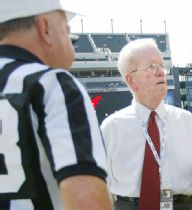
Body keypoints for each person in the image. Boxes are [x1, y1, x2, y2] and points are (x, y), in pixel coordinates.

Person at [0, 0, 113, 209]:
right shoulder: (51, 83)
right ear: (45, 28)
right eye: (66, 29)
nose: (71, 41)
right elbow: (85, 199)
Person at [100, 39, 192, 210]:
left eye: (161, 65)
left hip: (181, 205)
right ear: (131, 80)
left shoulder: (189, 123)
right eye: (151, 66)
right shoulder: (111, 128)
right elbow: (99, 185)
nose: (161, 72)